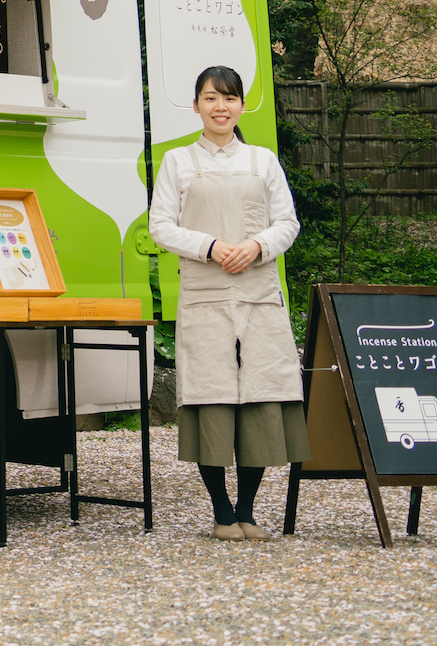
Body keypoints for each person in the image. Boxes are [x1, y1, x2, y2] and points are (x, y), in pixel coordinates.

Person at [148, 65, 308, 541]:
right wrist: (212, 247)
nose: (220, 107)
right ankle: (221, 512)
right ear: (196, 106)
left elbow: (288, 222)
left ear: (242, 105)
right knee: (211, 397)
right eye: (211, 98)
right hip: (206, 293)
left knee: (260, 395)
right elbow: (161, 225)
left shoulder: (262, 161)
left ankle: (248, 510)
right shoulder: (178, 162)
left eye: (229, 98)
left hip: (257, 294)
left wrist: (256, 247)